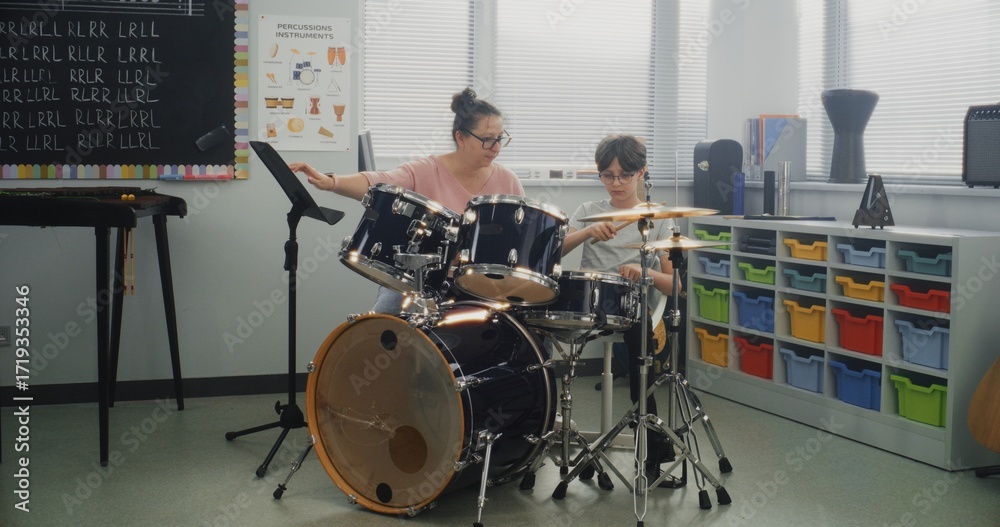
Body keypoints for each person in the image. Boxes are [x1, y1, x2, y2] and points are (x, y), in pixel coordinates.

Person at [289, 88, 524, 313]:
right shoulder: (427, 170)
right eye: (487, 139)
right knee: (380, 329)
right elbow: (381, 183)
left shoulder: (508, 181)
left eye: (500, 138)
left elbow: (520, 240)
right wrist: (331, 182)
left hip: (483, 289)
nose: (495, 147)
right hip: (421, 283)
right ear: (460, 137)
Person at [560, 134, 677, 481]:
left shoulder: (658, 218)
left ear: (641, 173)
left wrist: (647, 272)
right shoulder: (587, 212)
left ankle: (654, 455)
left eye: (624, 175)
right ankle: (565, 440)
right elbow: (554, 253)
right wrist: (587, 233)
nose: (616, 183)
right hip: (588, 306)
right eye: (607, 176)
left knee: (644, 363)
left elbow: (675, 285)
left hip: (632, 309)